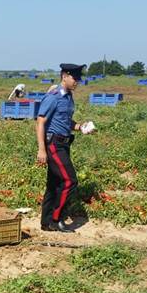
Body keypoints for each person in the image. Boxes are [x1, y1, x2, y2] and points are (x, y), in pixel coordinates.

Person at [35, 63, 95, 232]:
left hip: (64, 142)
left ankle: (46, 223)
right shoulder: (53, 96)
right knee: (69, 181)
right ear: (64, 76)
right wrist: (41, 149)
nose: (78, 81)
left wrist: (80, 127)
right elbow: (40, 122)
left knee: (54, 184)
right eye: (75, 78)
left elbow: (65, 122)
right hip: (53, 144)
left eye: (79, 78)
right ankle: (56, 219)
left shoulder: (68, 96)